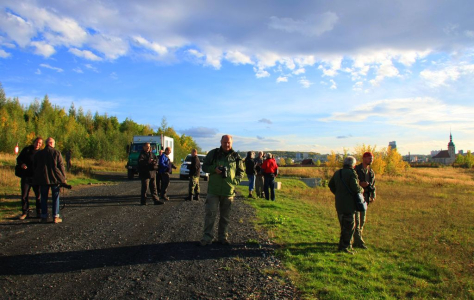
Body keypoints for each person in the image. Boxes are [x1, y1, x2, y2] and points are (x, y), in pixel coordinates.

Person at [200, 134, 245, 246]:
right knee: (210, 215)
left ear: (232, 143)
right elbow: (204, 167)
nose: (227, 144)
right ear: (221, 142)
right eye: (225, 142)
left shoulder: (236, 156)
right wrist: (214, 169)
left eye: (229, 142)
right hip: (213, 191)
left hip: (228, 191)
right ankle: (207, 238)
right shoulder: (213, 154)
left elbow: (241, 172)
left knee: (225, 217)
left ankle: (222, 237)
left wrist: (234, 182)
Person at [328, 156, 363, 254]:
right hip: (349, 205)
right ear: (353, 165)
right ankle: (344, 247)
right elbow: (355, 188)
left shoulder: (337, 173)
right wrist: (362, 190)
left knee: (343, 226)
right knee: (349, 226)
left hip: (339, 204)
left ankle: (345, 245)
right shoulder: (351, 173)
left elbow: (330, 185)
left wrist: (338, 193)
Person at [33, 137, 67, 224]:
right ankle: (55, 216)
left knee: (43, 197)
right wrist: (63, 178)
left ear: (46, 143)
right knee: (55, 197)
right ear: (52, 144)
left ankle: (44, 216)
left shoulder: (39, 154)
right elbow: (61, 166)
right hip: (55, 179)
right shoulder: (56, 153)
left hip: (43, 179)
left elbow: (35, 166)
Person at [353, 152, 376, 249]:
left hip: (365, 198)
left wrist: (373, 195)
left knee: (362, 220)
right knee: (357, 220)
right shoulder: (356, 169)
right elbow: (351, 182)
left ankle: (357, 238)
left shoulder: (371, 172)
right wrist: (360, 184)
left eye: (372, 158)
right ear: (364, 158)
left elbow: (373, 185)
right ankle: (359, 241)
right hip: (357, 198)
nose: (371, 160)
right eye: (369, 158)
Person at [16, 137, 43, 219]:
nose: (38, 144)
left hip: (36, 178)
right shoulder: (27, 150)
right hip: (26, 176)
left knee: (38, 196)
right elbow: (19, 159)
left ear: (41, 145)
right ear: (34, 142)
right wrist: (22, 164)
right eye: (37, 142)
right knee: (24, 195)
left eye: (40, 143)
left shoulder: (41, 153)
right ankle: (24, 212)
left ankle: (39, 212)